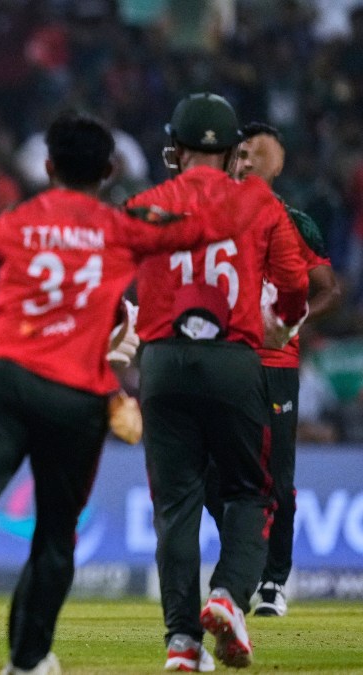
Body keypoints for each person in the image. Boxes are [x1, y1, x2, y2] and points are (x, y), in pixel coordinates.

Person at [0, 111, 260, 675]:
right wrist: (251, 193)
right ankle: (28, 659)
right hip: (76, 395)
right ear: (106, 171)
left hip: (5, 377)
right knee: (54, 536)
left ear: (48, 167)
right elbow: (199, 229)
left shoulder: (15, 222)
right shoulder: (120, 227)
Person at [126, 94, 309, 670]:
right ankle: (229, 594)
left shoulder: (147, 202)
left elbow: (110, 275)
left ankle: (182, 643)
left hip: (162, 364)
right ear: (233, 153)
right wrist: (279, 324)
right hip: (234, 359)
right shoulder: (260, 202)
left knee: (176, 508)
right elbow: (295, 285)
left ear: (176, 151)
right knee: (252, 493)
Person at [221, 122, 340, 617]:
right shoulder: (213, 217)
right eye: (240, 152)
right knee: (219, 477)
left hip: (275, 366)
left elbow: (327, 287)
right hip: (223, 362)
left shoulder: (294, 222)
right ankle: (241, 574)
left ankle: (273, 582)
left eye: (256, 152)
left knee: (277, 477)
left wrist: (292, 326)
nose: (246, 162)